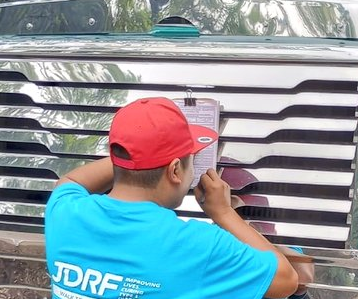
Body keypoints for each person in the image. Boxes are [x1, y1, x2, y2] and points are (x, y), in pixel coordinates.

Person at [45, 97, 302, 299]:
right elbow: (286, 281)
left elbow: (71, 181)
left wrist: (137, 155)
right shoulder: (199, 245)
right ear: (175, 170)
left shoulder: (65, 211)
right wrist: (223, 212)